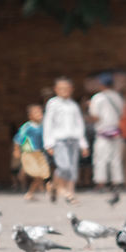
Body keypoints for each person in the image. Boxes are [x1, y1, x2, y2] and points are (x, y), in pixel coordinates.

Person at [42, 76, 89, 205]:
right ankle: (59, 187)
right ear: (56, 89)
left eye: (67, 89)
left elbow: (79, 125)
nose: (65, 91)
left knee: (73, 168)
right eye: (61, 88)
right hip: (59, 140)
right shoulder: (53, 103)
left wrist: (83, 143)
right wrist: (48, 143)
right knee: (64, 166)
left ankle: (70, 193)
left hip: (73, 140)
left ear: (71, 89)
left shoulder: (73, 105)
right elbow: (48, 123)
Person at [88, 73, 125, 190]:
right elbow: (122, 114)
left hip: (102, 132)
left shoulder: (98, 98)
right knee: (116, 159)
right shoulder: (118, 97)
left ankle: (100, 182)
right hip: (115, 131)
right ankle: (116, 182)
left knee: (100, 158)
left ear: (101, 84)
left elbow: (95, 117)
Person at [13, 104, 50, 200]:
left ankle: (30, 193)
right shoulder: (27, 126)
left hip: (39, 153)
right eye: (36, 113)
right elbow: (18, 138)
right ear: (30, 116)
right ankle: (48, 188)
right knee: (37, 173)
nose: (39, 114)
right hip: (29, 153)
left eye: (40, 112)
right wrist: (16, 149)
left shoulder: (42, 126)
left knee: (44, 173)